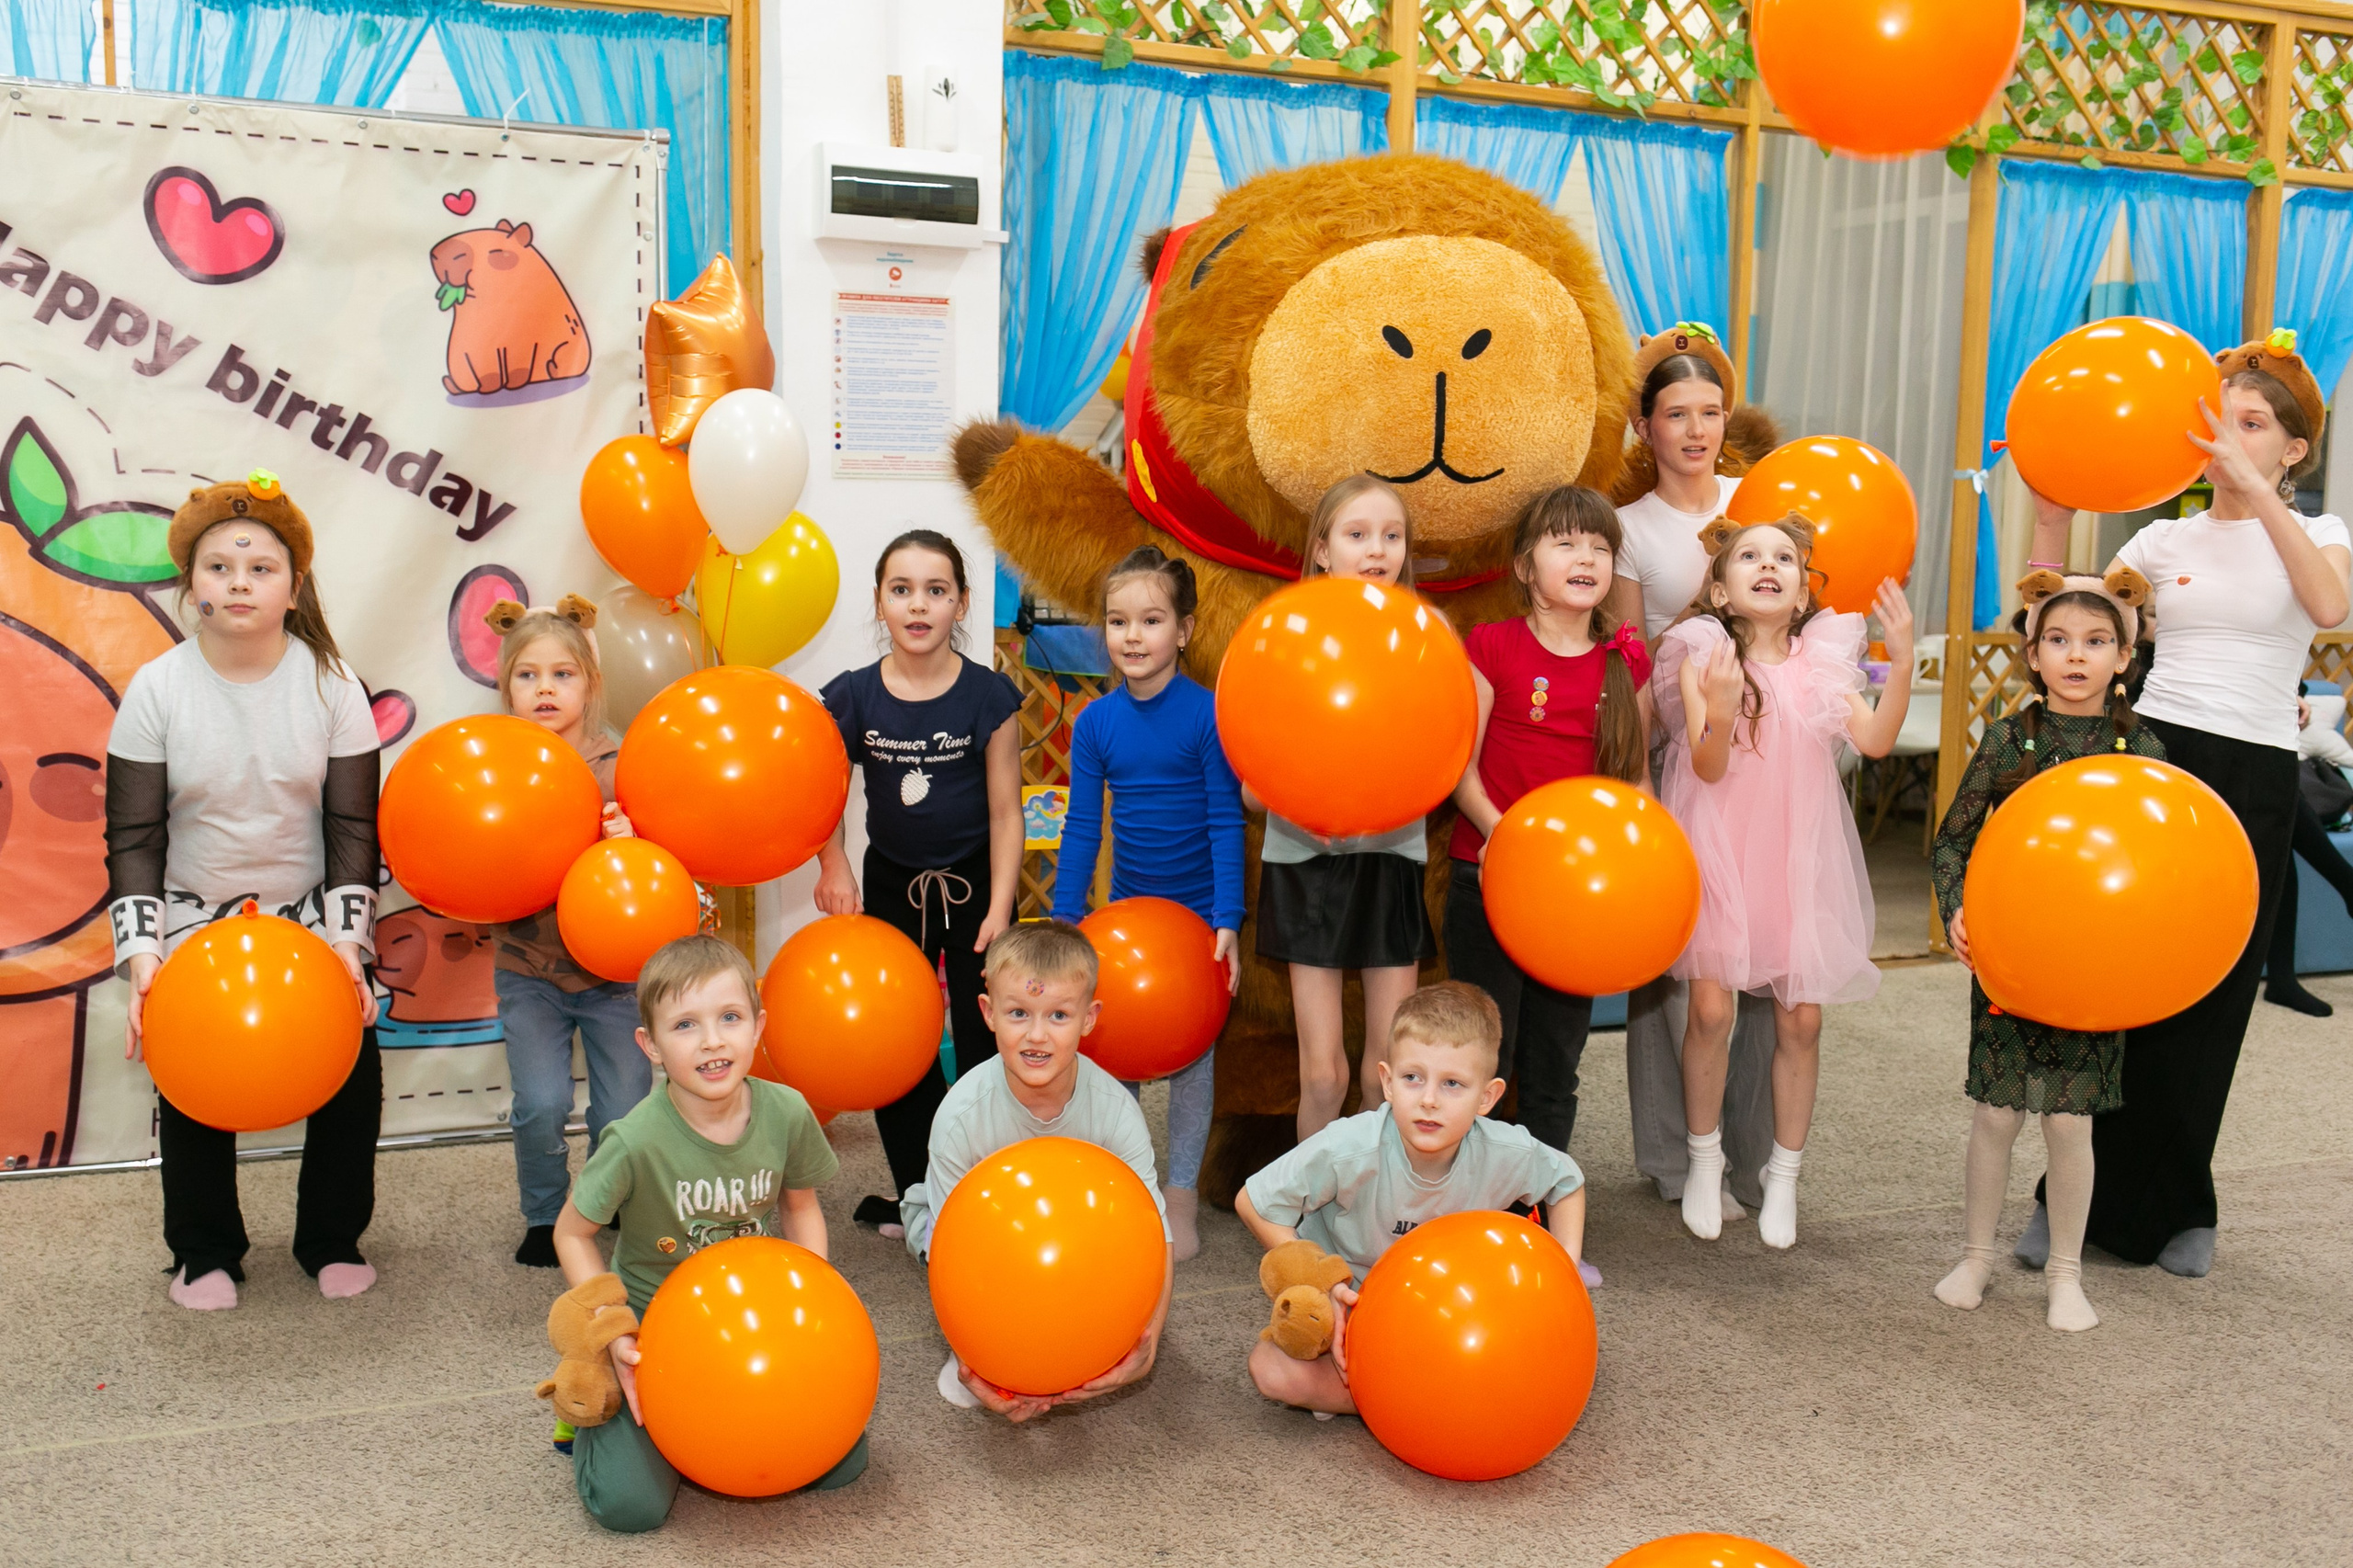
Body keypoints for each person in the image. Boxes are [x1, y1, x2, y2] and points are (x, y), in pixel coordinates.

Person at [2013, 331, 2348, 1279]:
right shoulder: (2161, 539)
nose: (2226, 439)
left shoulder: (2320, 534)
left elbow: (2326, 607)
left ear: (2292, 447)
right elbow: (2055, 620)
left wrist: (2254, 493)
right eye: (2218, 422)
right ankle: (2062, 1199)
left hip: (2254, 774)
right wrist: (2048, 523)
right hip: (2153, 757)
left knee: (2213, 995)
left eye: (2251, 425)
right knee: (2116, 983)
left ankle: (2181, 1205)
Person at [105, 471, 382, 1310]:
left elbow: (352, 831)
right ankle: (205, 1251)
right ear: (191, 586)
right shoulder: (156, 690)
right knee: (193, 1074)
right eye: (220, 566)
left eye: (260, 567)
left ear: (294, 589)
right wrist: (145, 957)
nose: (239, 582)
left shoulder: (335, 686)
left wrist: (348, 948)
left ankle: (331, 1239)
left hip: (306, 919)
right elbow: (135, 837)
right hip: (194, 918)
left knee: (352, 1068)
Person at [1653, 517, 1915, 1249]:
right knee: (1710, 1010)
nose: (1768, 567)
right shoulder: (1700, 655)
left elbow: (1876, 740)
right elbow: (1706, 767)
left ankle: (1784, 1174)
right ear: (1720, 588)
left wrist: (1903, 665)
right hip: (1721, 851)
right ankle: (1705, 1161)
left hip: (1798, 859)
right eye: (1749, 557)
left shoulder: (1823, 661)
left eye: (1785, 560)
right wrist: (1728, 705)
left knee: (1802, 1019)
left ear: (1802, 594)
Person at [549, 936, 856, 1530]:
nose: (713, 1040)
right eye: (685, 1024)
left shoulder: (789, 1111)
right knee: (629, 1508)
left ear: (758, 1026)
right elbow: (571, 1234)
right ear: (652, 1046)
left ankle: (696, 1441)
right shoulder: (633, 1139)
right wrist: (612, 1332)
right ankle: (587, 1415)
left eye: (730, 1018)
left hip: (750, 1319)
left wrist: (813, 1301)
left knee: (841, 1462)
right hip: (655, 1332)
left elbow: (801, 1208)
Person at [1930, 570, 2161, 1333]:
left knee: (2070, 1123)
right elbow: (1954, 838)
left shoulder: (2140, 749)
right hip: (2012, 957)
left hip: (2096, 968)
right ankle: (1975, 1258)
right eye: (2058, 641)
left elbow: (2167, 860)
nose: (2076, 656)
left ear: (2124, 657)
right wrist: (1958, 910)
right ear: (2033, 653)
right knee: (1996, 1114)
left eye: (2097, 642)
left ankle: (2066, 1272)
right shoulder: (2011, 738)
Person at [1607, 326, 1780, 1222]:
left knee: (1756, 964)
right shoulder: (1629, 529)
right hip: (1679, 753)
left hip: (1762, 759)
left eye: (1709, 412)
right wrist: (1634, 774)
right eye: (1675, 414)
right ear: (1646, 428)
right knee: (1673, 961)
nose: (1695, 429)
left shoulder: (1764, 499)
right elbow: (1632, 661)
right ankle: (1673, 1153)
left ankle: (1751, 1156)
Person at [1236, 982, 1588, 1417]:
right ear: (1386, 1082)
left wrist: (1567, 1275)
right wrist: (1322, 1279)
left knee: (1541, 1362)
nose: (1428, 1100)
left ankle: (1401, 1396)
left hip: (1446, 1311)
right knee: (1271, 1371)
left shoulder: (1505, 1150)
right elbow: (1252, 1200)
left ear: (1488, 1098)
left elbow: (1567, 1182)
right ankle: (1415, 1399)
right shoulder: (1349, 1146)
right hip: (1354, 1308)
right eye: (1412, 1078)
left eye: (1453, 1084)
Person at [1445, 486, 1651, 1206]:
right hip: (1488, 878)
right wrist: (1511, 835)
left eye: (1598, 546)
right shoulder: (1492, 645)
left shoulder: (1625, 663)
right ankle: (1472, 1210)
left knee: (1556, 1059)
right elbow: (1458, 769)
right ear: (1526, 567)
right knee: (1484, 1057)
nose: (1586, 556)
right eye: (1565, 543)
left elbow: (1635, 786)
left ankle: (1537, 1214)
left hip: (1573, 903)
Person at [815, 530, 1024, 1238]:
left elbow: (1005, 811)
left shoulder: (989, 696)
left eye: (937, 591)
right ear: (880, 602)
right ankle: (918, 1191)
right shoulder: (852, 697)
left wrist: (1000, 906)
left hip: (977, 890)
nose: (918, 604)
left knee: (981, 1037)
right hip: (892, 886)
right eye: (901, 589)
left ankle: (986, 1180)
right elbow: (816, 796)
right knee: (895, 1042)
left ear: (960, 603)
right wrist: (833, 863)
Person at [1050, 546, 1246, 1261]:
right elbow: (1081, 826)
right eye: (1118, 621)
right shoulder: (1097, 722)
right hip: (1127, 920)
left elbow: (1227, 818)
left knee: (1193, 1063)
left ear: (1184, 630)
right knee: (1119, 1061)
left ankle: (1182, 1192)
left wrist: (1228, 920)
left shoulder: (1205, 716)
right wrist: (1068, 922)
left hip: (1196, 926)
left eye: (1151, 620)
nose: (1133, 636)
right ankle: (1130, 1184)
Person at [900, 920, 1174, 1421]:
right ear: (988, 1013)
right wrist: (974, 1358)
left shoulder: (1115, 1111)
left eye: (1059, 1015)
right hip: (980, 1244)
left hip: (1077, 1242)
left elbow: (1156, 1234)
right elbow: (949, 1250)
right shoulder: (961, 1116)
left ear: (1089, 1019)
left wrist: (1149, 1341)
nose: (1037, 1035)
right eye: (1019, 1013)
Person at [1247, 475, 1435, 1139]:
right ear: (1322, 550)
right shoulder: (1285, 639)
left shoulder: (1424, 642)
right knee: (1323, 1075)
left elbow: (1439, 760)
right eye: (1357, 535)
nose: (1377, 550)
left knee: (1386, 1072)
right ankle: (1308, 1217)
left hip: (1390, 860)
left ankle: (1374, 1212)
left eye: (1392, 536)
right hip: (1306, 864)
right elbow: (1252, 784)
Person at [482, 597, 644, 1269]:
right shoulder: (494, 766)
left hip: (616, 978)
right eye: (527, 676)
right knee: (541, 1105)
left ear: (590, 683)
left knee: (623, 1116)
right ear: (506, 687)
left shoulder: (622, 765)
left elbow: (662, 877)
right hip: (529, 968)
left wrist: (631, 844)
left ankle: (604, 1208)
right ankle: (546, 1213)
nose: (545, 689)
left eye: (562, 675)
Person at [2260, 687, 2353, 1017]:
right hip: (2190, 725)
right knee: (2280, 801)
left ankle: (2282, 980)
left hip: (2256, 722)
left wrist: (2293, 694)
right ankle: (2347, 882)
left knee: (2281, 832)